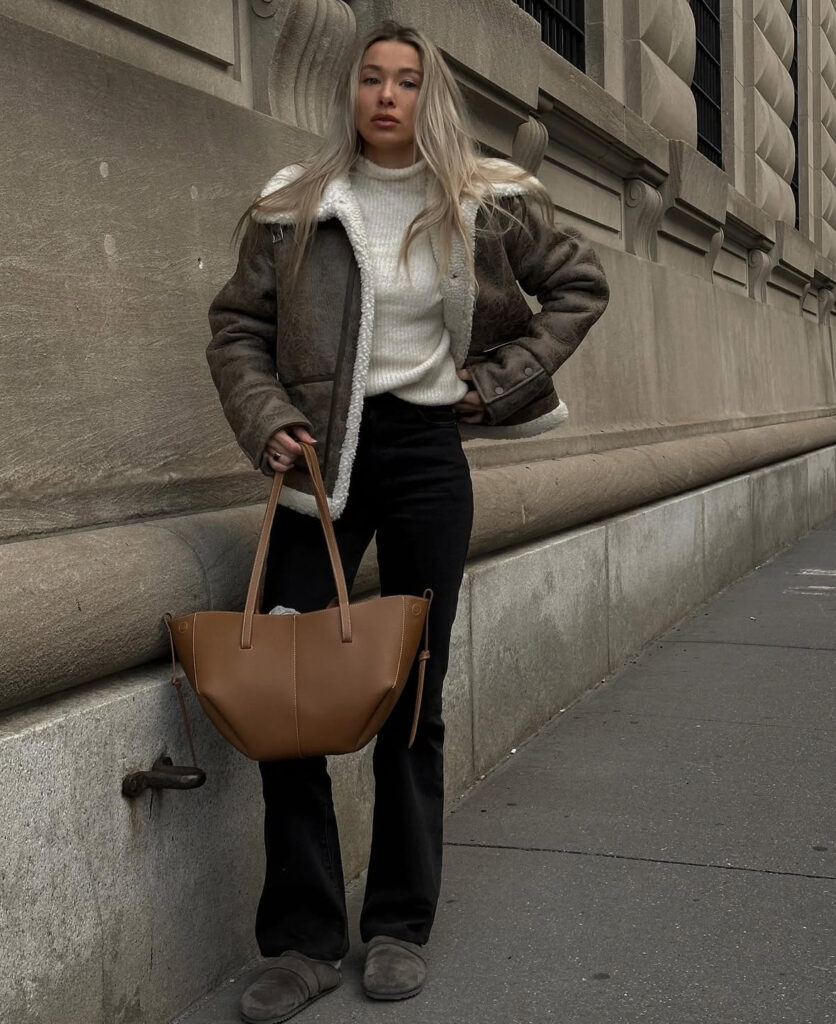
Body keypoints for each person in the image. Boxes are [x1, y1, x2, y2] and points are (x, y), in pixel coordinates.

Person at [206, 19, 609, 1024]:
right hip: (319, 460)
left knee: (411, 696)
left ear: (428, 98)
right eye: (368, 79)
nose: (384, 95)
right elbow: (238, 328)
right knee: (288, 692)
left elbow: (579, 285)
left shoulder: (485, 203)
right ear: (349, 95)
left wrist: (491, 384)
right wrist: (268, 419)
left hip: (428, 453)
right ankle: (301, 938)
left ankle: (396, 925)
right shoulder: (295, 205)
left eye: (404, 81)